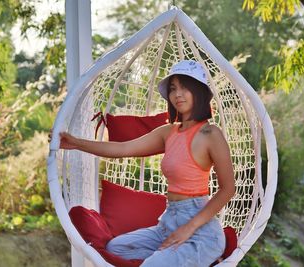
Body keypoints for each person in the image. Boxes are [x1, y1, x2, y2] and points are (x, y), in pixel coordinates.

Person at [58, 60, 235, 267]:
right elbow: (123, 149)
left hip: (200, 231)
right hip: (168, 222)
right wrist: (77, 143)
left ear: (199, 92)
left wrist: (188, 228)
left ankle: (199, 255)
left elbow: (228, 189)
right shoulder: (169, 132)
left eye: (185, 87)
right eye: (173, 88)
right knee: (116, 248)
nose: (178, 94)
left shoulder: (210, 134)